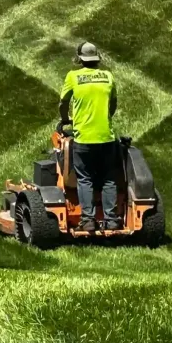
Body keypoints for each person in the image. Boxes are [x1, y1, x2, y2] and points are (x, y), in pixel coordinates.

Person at [59, 42, 120, 232]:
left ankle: (88, 220)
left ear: (79, 58)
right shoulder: (108, 76)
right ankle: (111, 219)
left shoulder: (73, 76)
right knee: (109, 178)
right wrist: (106, 117)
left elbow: (63, 102)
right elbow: (113, 104)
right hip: (106, 138)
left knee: (84, 178)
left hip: (84, 138)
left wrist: (64, 119)